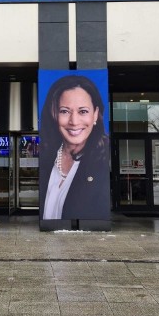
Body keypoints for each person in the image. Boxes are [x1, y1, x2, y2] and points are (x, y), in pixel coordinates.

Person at [39, 75, 110, 220]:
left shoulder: (104, 162)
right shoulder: (46, 158)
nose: (74, 121)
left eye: (83, 111)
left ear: (95, 114)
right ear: (54, 114)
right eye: (65, 111)